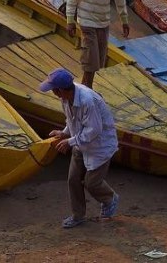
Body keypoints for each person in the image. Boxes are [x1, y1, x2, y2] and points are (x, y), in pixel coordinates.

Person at [40, 68, 120, 229]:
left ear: (60, 90)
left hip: (100, 145)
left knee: (92, 183)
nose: (53, 93)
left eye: (54, 90)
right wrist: (63, 133)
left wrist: (69, 141)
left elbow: (94, 130)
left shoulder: (87, 101)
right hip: (80, 141)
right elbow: (72, 120)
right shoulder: (66, 98)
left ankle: (109, 198)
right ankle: (78, 215)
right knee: (73, 179)